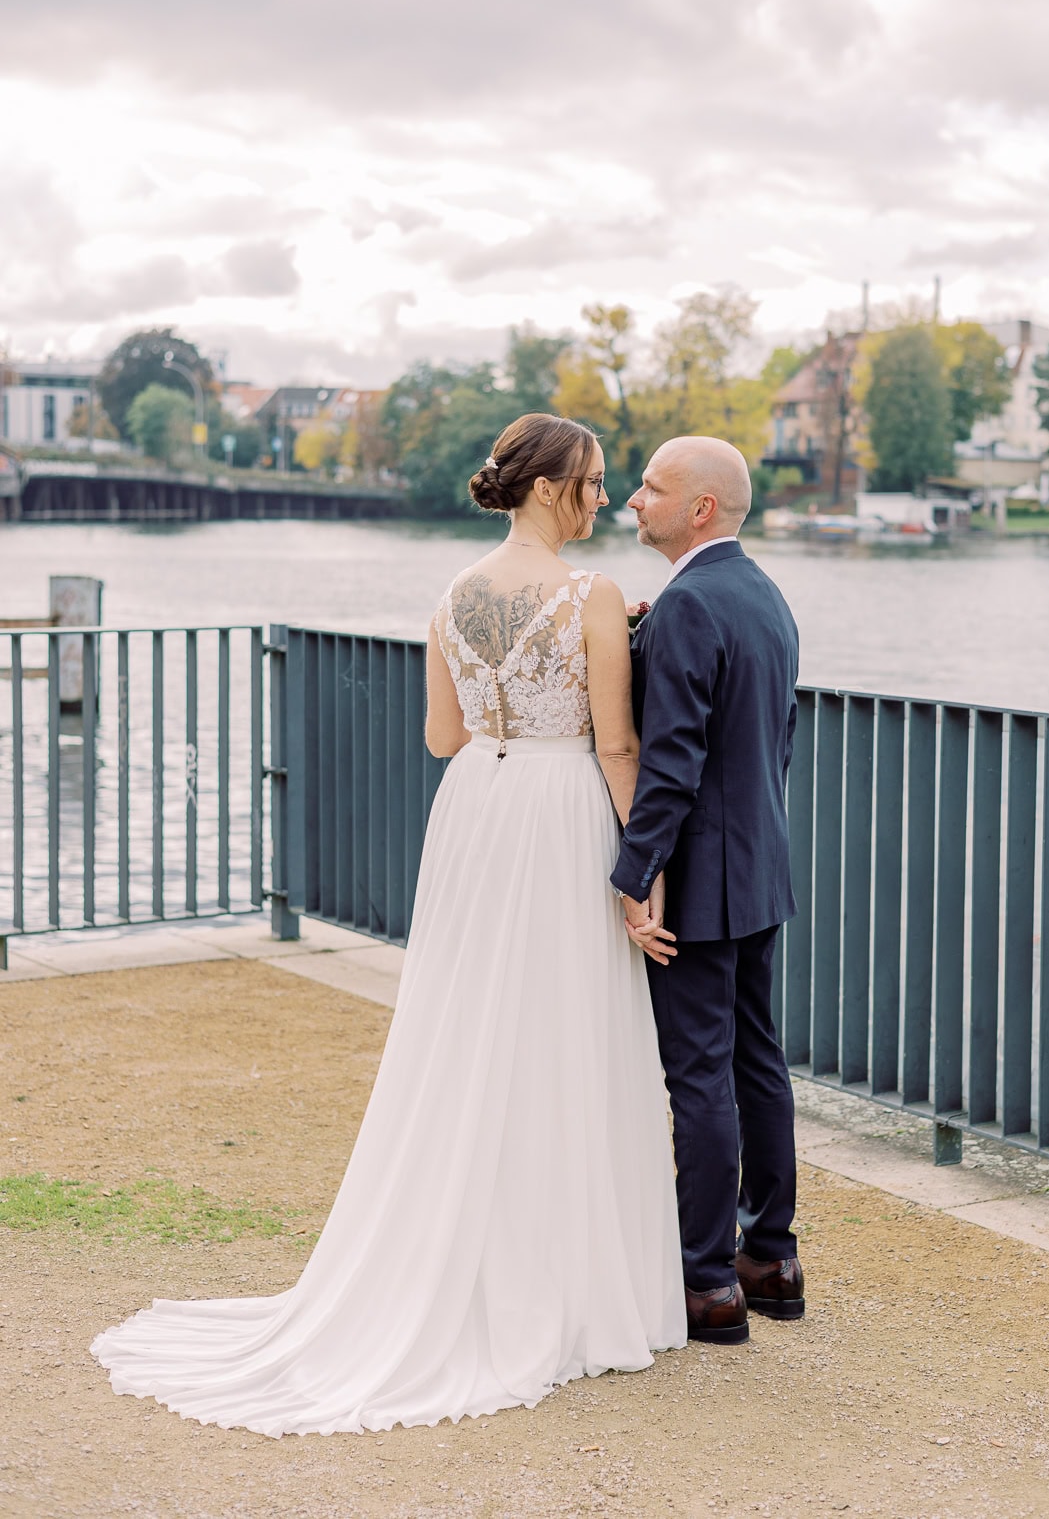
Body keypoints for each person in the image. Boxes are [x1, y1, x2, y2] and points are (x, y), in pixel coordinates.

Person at [92, 413, 686, 1435]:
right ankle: (566, 1278)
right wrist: (644, 873)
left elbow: (442, 734)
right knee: (562, 1030)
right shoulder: (591, 598)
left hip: (475, 815)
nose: (600, 499)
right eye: (591, 484)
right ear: (549, 489)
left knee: (469, 1030)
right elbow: (620, 750)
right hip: (556, 818)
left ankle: (463, 1250)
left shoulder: (452, 594)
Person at [611, 436, 803, 1346]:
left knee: (698, 1076)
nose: (633, 499)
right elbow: (769, 740)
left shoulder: (694, 604)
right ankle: (771, 1256)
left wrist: (634, 872)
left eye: (651, 487)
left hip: (699, 877)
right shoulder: (762, 593)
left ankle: (707, 1283)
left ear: (699, 509)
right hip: (760, 867)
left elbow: (673, 766)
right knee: (756, 1063)